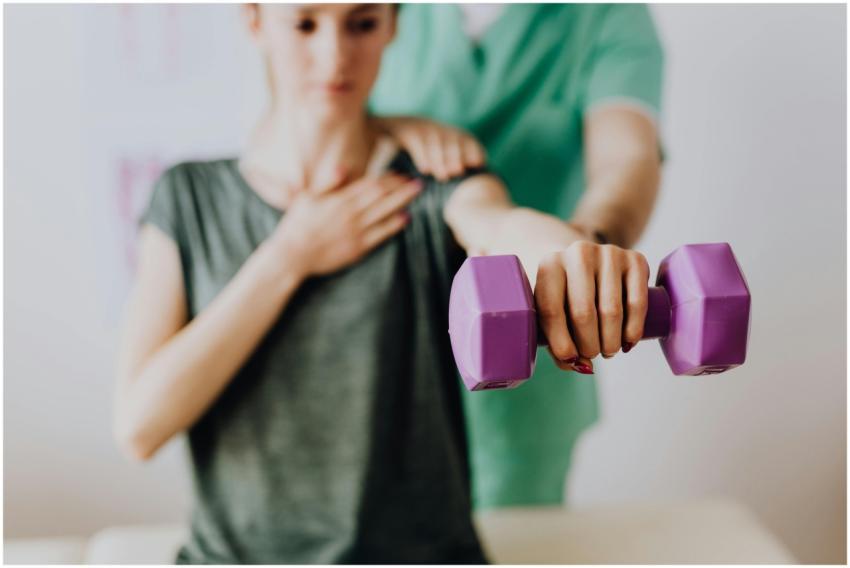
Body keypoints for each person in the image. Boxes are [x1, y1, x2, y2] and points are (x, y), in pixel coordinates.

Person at [112, 4, 652, 563]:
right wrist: (288, 259)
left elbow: (499, 224)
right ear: (254, 21)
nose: (334, 56)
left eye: (362, 24)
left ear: (394, 24)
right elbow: (138, 427)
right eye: (304, 24)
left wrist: (569, 252)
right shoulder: (189, 195)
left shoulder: (437, 182)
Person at [368, 4, 665, 509]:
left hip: (529, 367)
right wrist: (385, 128)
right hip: (377, 351)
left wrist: (582, 254)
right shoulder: (374, 12)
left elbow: (628, 158)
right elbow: (306, 113)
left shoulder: (607, 15)